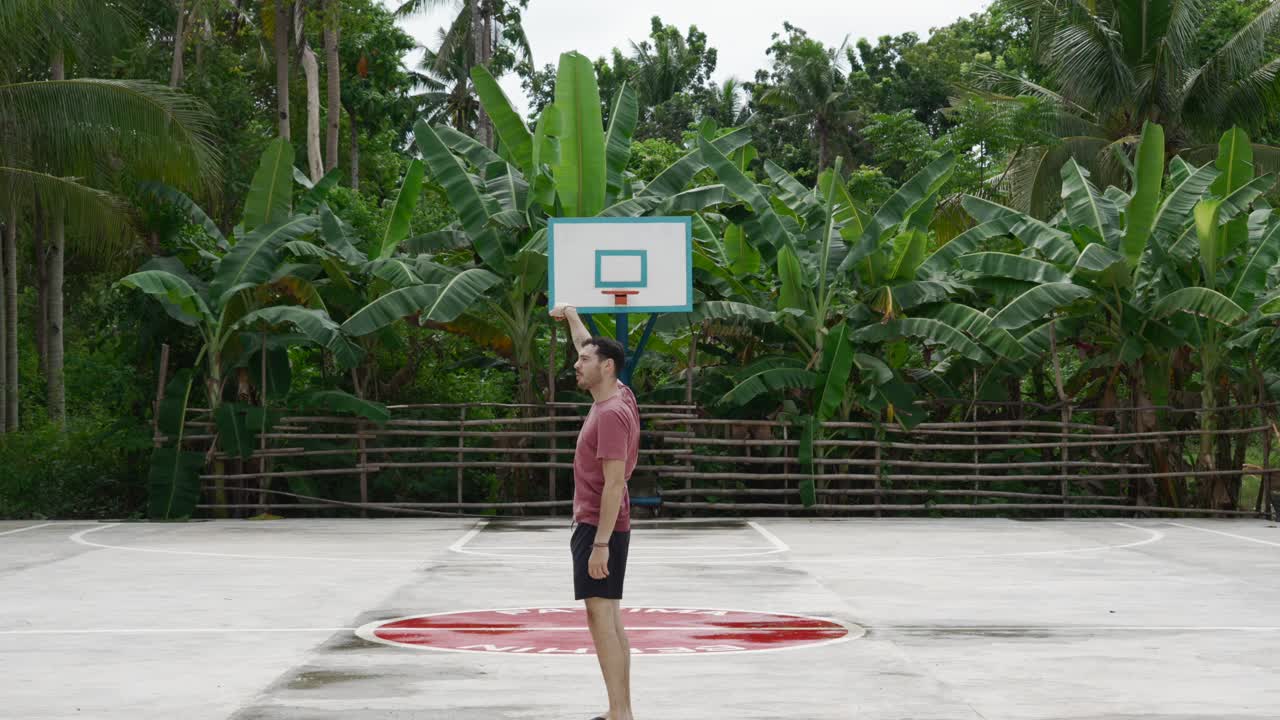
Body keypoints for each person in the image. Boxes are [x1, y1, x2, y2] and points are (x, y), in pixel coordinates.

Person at [550, 303, 640, 720]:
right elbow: (586, 343)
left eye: (584, 361)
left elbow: (615, 483)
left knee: (601, 619)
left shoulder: (610, 415)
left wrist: (600, 544)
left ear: (606, 367)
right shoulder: (619, 390)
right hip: (603, 524)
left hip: (599, 525)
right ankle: (620, 709)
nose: (576, 363)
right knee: (609, 618)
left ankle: (620, 712)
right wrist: (571, 315)